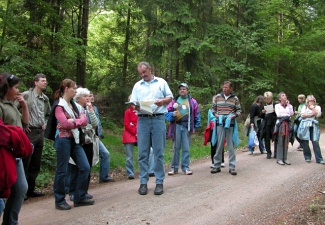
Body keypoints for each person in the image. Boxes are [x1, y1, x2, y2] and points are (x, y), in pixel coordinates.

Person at [45, 79, 94, 210]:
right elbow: (65, 124)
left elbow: (85, 120)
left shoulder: (75, 106)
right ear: (66, 89)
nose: (76, 91)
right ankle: (59, 200)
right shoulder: (59, 106)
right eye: (74, 88)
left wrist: (73, 121)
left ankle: (79, 197)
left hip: (75, 139)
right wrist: (75, 121)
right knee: (62, 170)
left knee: (84, 166)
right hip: (62, 140)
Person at [130, 61, 173, 195]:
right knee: (143, 153)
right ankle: (143, 182)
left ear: (151, 69)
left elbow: (170, 97)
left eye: (144, 72)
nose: (143, 75)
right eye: (141, 73)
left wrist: (163, 101)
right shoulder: (137, 86)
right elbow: (133, 103)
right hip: (142, 119)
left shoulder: (161, 82)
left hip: (158, 118)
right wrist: (136, 106)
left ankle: (159, 182)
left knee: (159, 152)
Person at [0, 73, 30, 224]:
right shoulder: (1, 106)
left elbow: (25, 123)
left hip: (16, 154)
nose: (19, 91)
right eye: (16, 87)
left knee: (20, 190)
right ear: (7, 88)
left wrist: (24, 105)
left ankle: (11, 222)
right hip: (5, 155)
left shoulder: (12, 104)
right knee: (11, 190)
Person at [21, 73, 51, 198]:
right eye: (43, 81)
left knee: (35, 163)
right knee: (25, 161)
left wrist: (46, 123)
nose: (45, 82)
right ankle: (21, 192)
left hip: (40, 132)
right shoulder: (26, 95)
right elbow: (15, 109)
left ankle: (31, 190)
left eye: (46, 80)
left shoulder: (45, 99)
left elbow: (49, 113)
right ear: (35, 82)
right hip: (29, 132)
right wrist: (23, 125)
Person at [67, 87, 99, 202]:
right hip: (78, 141)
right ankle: (72, 191)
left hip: (89, 141)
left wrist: (91, 110)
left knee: (87, 167)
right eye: (85, 96)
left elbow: (95, 124)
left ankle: (83, 192)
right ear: (78, 98)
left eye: (88, 96)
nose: (88, 98)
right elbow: (76, 124)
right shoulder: (74, 108)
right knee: (76, 167)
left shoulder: (88, 109)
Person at [165, 83, 201, 175]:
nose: (182, 90)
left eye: (184, 89)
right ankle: (174, 167)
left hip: (187, 127)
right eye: (181, 89)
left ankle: (185, 167)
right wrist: (172, 115)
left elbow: (197, 115)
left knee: (186, 148)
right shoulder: (174, 101)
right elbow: (166, 113)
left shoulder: (192, 102)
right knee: (175, 148)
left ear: (187, 90)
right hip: (176, 126)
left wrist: (195, 127)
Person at [210, 81, 241, 175]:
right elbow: (213, 109)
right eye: (223, 87)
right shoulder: (217, 97)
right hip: (220, 123)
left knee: (230, 146)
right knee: (219, 145)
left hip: (230, 124)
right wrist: (216, 115)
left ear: (231, 89)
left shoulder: (235, 98)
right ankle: (216, 165)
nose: (225, 89)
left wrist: (233, 116)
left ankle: (232, 167)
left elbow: (239, 110)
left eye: (227, 87)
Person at [89, 93, 115, 183]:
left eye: (92, 95)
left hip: (96, 137)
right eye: (89, 95)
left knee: (105, 154)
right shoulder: (82, 108)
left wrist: (99, 134)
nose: (91, 97)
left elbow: (98, 122)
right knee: (88, 158)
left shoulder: (95, 108)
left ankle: (103, 176)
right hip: (88, 136)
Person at [298, 95, 324, 164]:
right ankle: (307, 157)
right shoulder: (304, 107)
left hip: (313, 126)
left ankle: (319, 159)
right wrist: (311, 115)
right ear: (307, 101)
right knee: (305, 142)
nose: (311, 102)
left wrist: (313, 109)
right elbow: (302, 115)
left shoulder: (317, 107)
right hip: (305, 126)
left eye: (312, 101)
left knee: (315, 142)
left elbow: (318, 114)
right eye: (310, 101)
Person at [274, 92, 294, 165]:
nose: (285, 96)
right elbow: (278, 114)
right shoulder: (277, 106)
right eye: (283, 95)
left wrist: (288, 105)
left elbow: (291, 113)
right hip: (281, 124)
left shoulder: (289, 106)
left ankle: (285, 158)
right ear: (280, 98)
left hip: (287, 124)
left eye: (285, 95)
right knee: (280, 141)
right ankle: (279, 158)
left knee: (286, 141)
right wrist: (286, 115)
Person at [122, 98, 138, 179]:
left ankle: (149, 170)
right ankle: (130, 173)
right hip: (129, 134)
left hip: (140, 134)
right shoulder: (127, 112)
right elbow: (127, 124)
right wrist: (135, 133)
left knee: (149, 151)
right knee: (129, 156)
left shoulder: (141, 111)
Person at [259, 91, 277, 159]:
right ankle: (268, 152)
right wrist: (262, 112)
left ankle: (276, 153)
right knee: (266, 138)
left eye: (269, 98)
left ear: (271, 98)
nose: (267, 100)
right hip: (266, 123)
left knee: (275, 138)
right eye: (266, 98)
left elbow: (279, 114)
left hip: (274, 123)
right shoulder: (263, 105)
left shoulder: (275, 104)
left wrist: (275, 110)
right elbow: (260, 115)